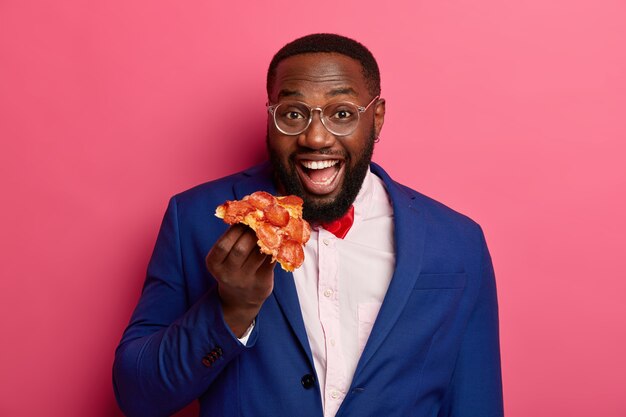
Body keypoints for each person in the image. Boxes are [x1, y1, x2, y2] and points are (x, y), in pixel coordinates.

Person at [113, 33, 504, 417]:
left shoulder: (457, 242)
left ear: (377, 118)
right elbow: (138, 396)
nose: (316, 138)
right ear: (271, 117)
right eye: (294, 114)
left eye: (342, 113)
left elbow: (476, 401)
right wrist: (231, 309)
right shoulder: (195, 218)